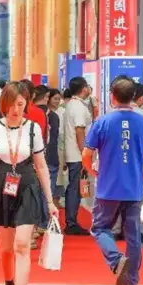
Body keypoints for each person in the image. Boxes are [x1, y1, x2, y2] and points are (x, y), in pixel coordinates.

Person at [0, 82, 58, 285]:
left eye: (20, 105)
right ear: (3, 104)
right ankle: (8, 284)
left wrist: (51, 201)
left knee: (22, 244)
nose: (15, 110)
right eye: (11, 105)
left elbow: (41, 166)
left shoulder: (33, 129)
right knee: (5, 247)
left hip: (28, 187)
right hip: (2, 187)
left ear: (27, 104)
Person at [82, 77, 143, 285]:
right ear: (134, 97)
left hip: (108, 186)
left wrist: (92, 171)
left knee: (100, 228)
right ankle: (133, 282)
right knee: (133, 235)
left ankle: (117, 261)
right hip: (135, 187)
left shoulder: (103, 122)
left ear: (112, 96)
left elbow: (86, 154)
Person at [61, 77, 92, 236]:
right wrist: (85, 153)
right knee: (75, 188)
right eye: (87, 87)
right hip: (77, 154)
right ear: (83, 88)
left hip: (73, 153)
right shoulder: (78, 107)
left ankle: (71, 220)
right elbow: (80, 131)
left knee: (75, 187)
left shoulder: (72, 105)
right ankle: (71, 222)